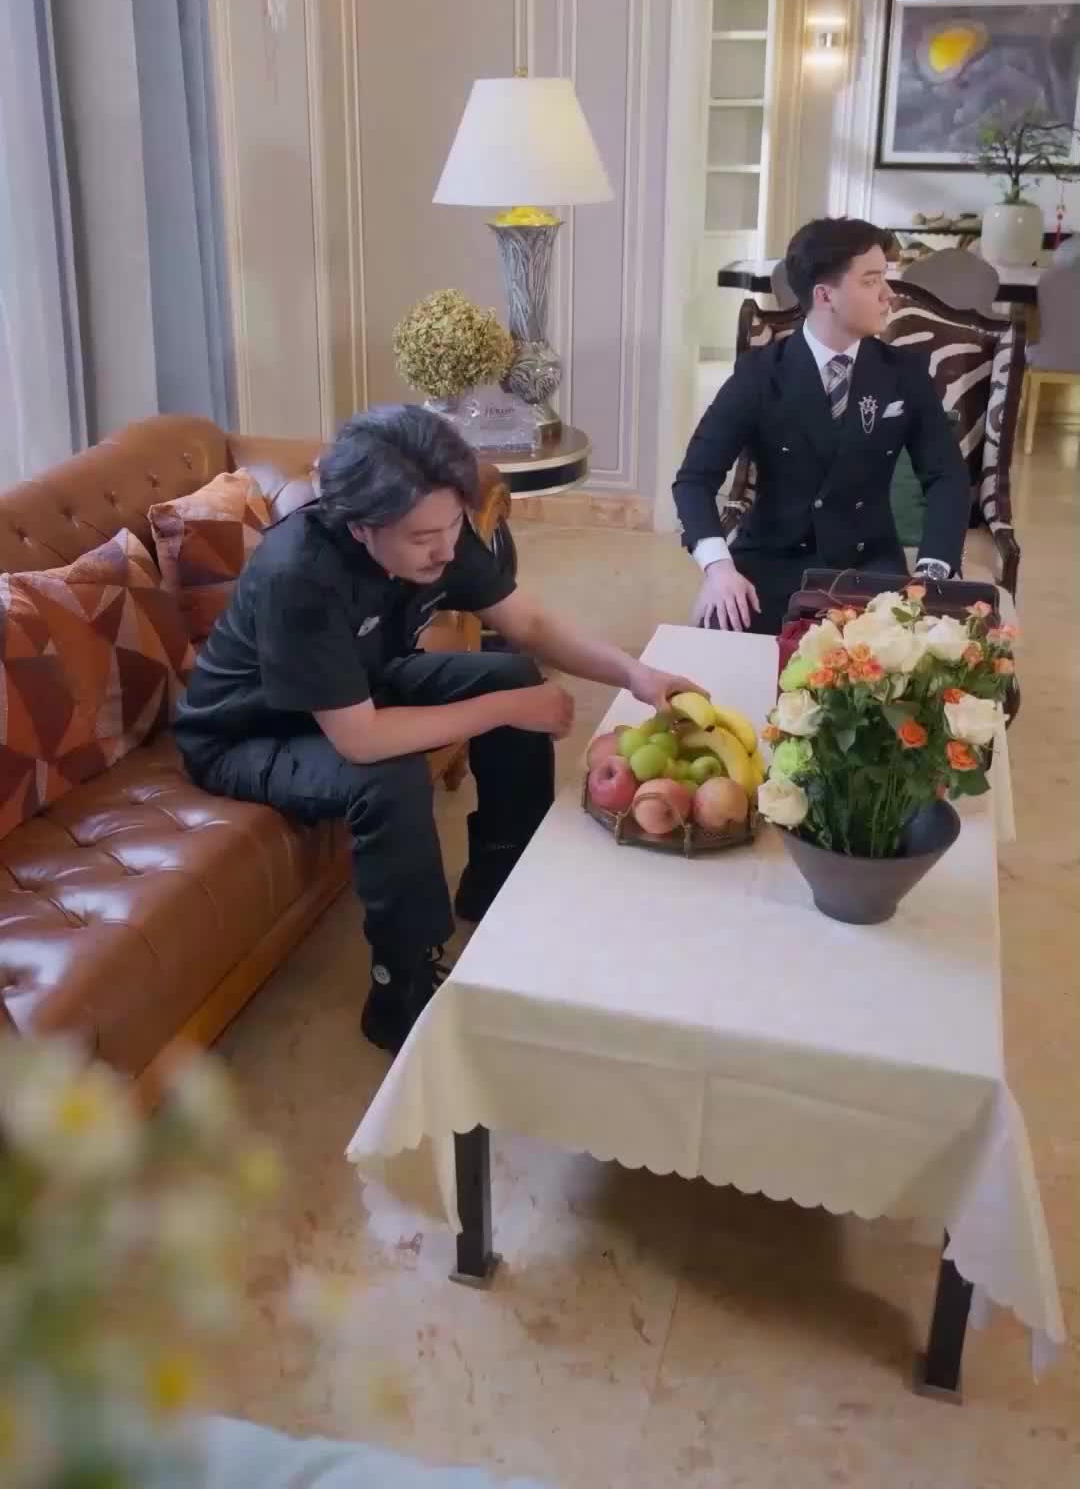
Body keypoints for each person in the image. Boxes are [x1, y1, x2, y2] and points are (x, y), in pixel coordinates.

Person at [174, 406, 702, 1053]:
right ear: (361, 526)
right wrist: (507, 710)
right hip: (249, 734)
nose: (447, 550)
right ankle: (398, 990)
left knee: (509, 673)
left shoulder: (437, 526)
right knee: (389, 775)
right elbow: (361, 740)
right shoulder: (300, 577)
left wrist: (636, 674)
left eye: (453, 526)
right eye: (424, 537)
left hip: (357, 687)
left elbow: (529, 625)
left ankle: (502, 880)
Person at [672, 218, 970, 636]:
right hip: (771, 561)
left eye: (884, 278)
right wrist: (719, 568)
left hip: (869, 565)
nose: (888, 295)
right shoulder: (760, 375)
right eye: (871, 281)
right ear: (825, 295)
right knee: (720, 643)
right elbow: (693, 479)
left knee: (904, 658)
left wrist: (932, 569)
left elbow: (946, 476)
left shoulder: (904, 373)